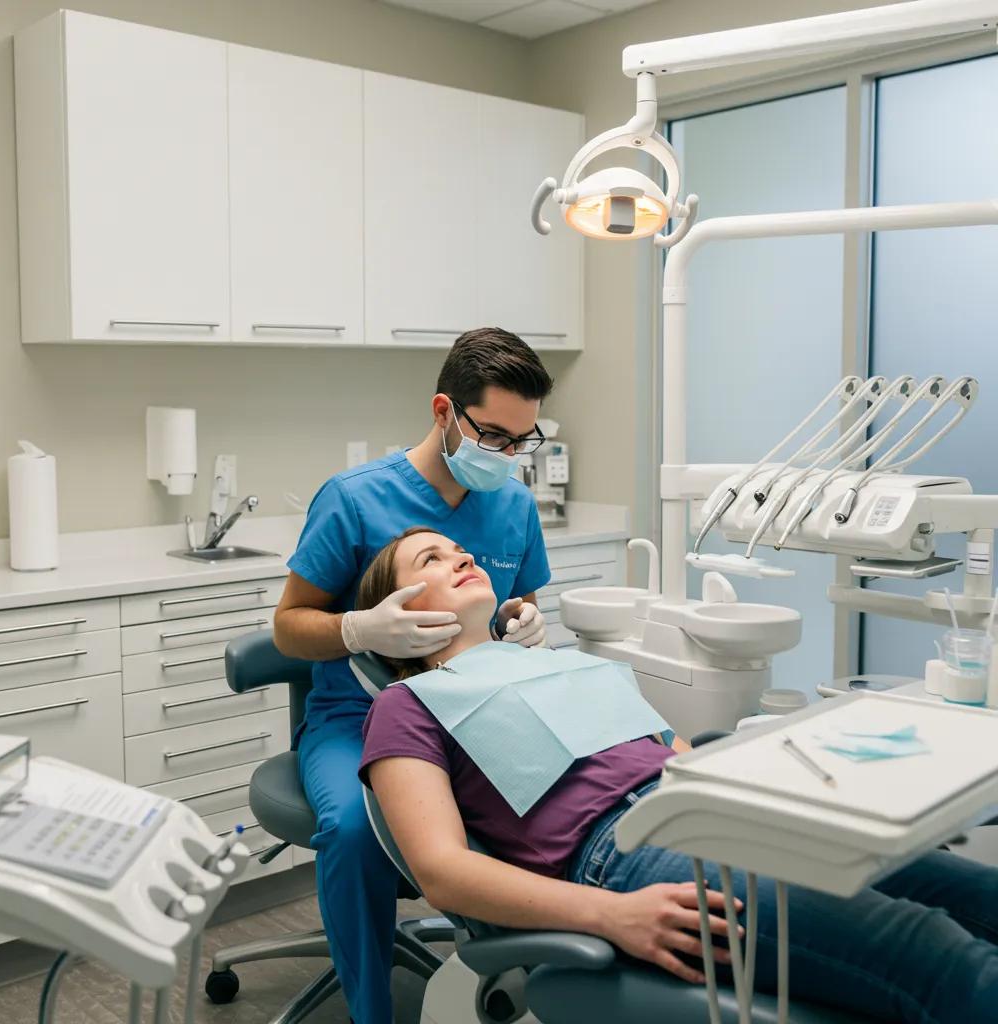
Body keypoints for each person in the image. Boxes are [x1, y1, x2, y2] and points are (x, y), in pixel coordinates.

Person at [359, 527, 998, 1024]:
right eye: (430, 562)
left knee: (976, 895)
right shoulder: (406, 704)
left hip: (710, 804)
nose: (459, 557)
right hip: (628, 850)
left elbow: (677, 749)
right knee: (935, 953)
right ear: (396, 615)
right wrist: (611, 914)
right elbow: (442, 871)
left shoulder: (557, 663)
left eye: (457, 549)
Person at [274, 328, 555, 1024]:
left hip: (474, 713)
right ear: (443, 411)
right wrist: (355, 629)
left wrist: (523, 619)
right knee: (352, 830)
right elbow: (288, 624)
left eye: (523, 441)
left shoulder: (514, 505)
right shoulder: (353, 499)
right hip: (359, 719)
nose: (507, 457)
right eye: (492, 436)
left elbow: (523, 596)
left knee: (554, 806)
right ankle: (370, 1010)